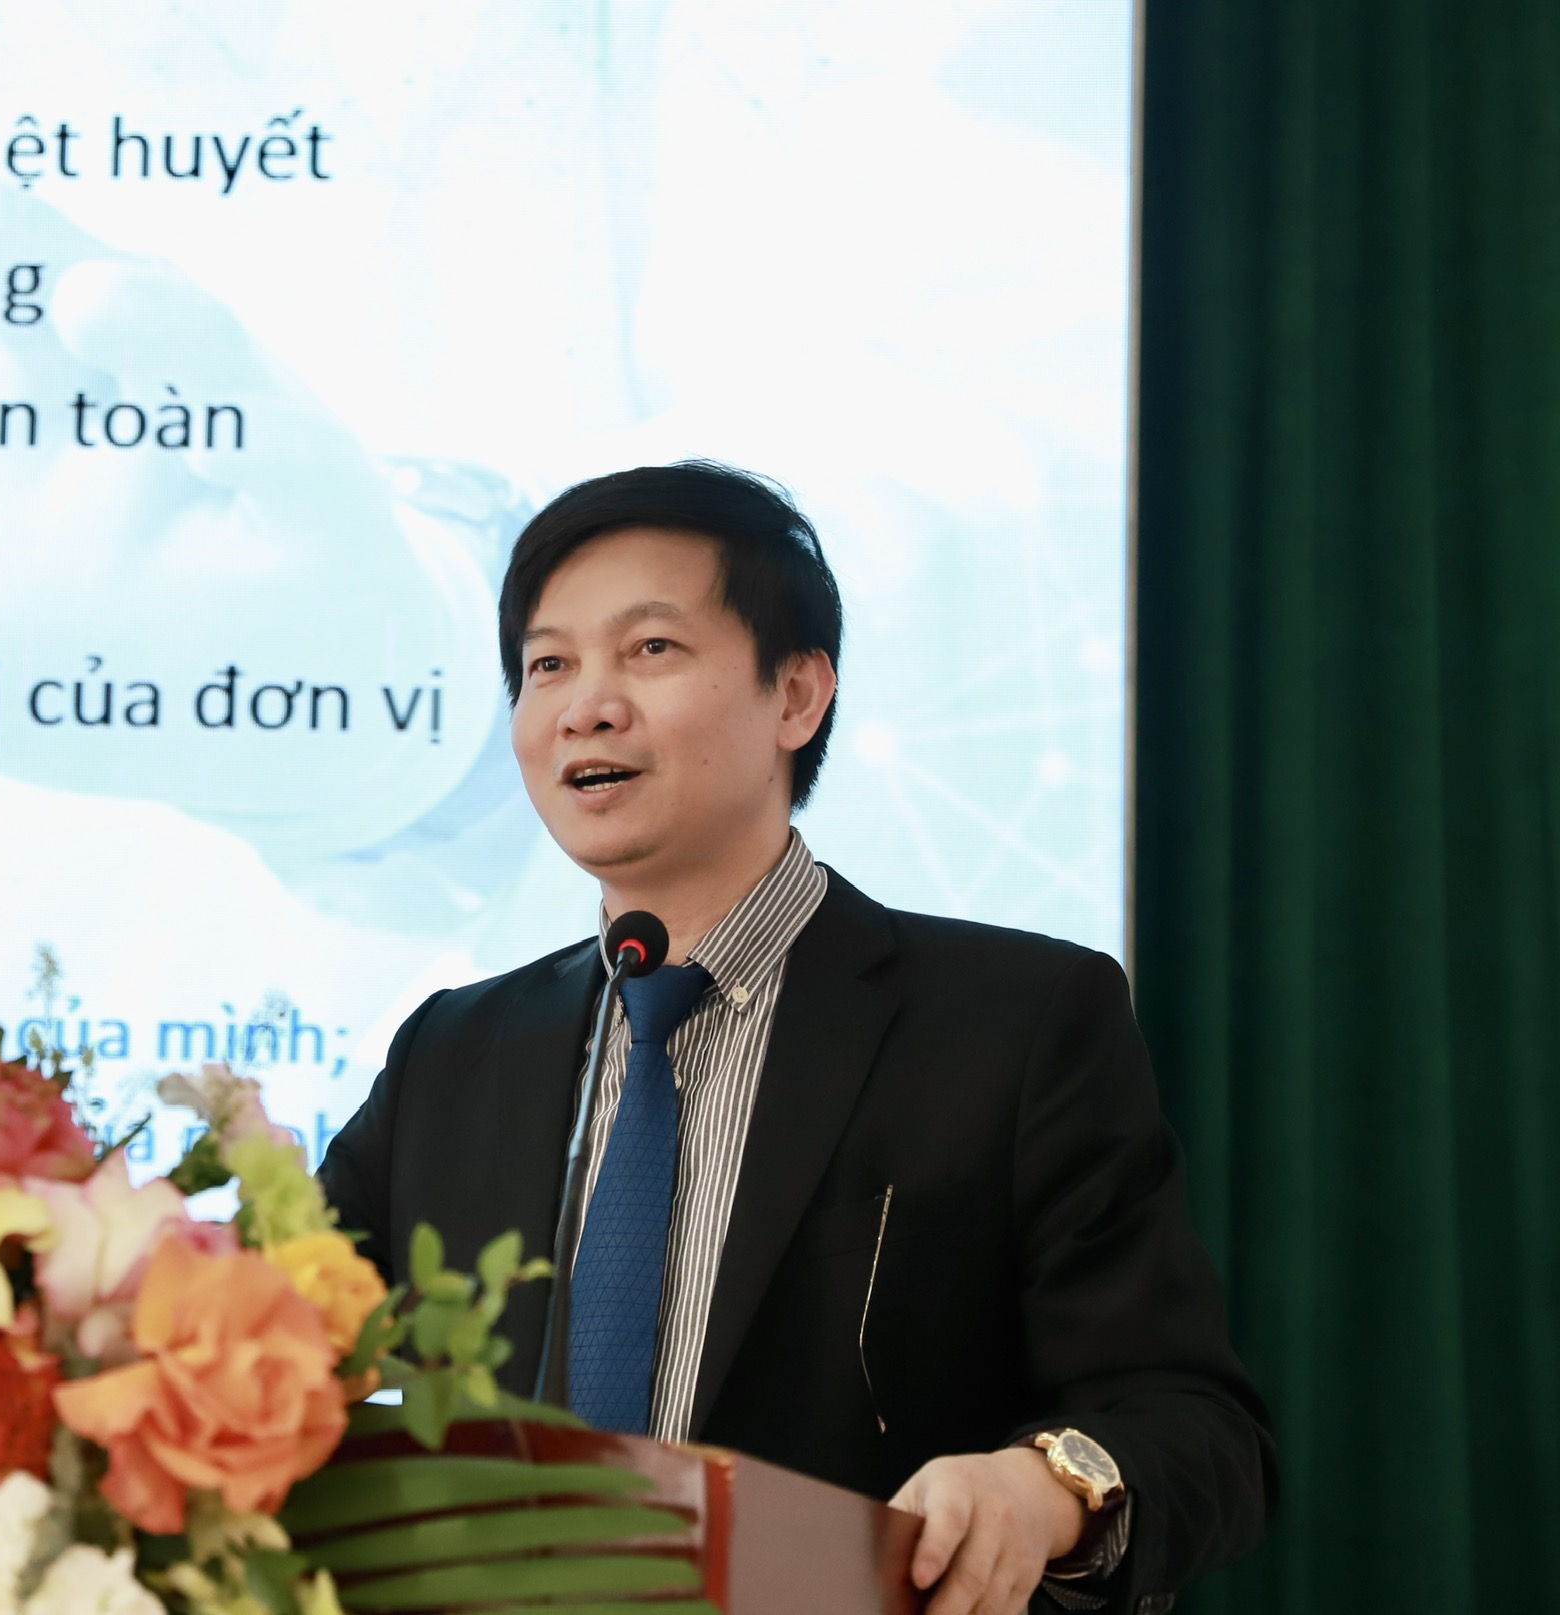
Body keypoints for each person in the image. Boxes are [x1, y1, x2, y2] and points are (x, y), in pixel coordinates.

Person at [316, 462, 1273, 1615]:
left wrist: (1038, 1488)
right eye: (547, 665)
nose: (584, 706)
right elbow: (274, 1343)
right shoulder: (454, 1055)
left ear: (798, 696)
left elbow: (1193, 1425)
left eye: (650, 648)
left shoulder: (1014, 1021)